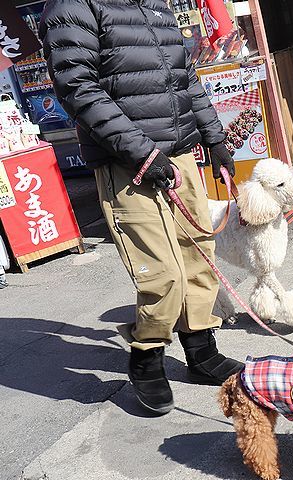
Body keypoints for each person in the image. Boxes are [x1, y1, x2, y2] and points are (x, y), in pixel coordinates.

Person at [39, 0, 243, 415]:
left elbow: (184, 75)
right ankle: (146, 356)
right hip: (125, 162)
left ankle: (201, 350)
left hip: (181, 152)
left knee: (199, 259)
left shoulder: (156, 3)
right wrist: (142, 153)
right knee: (162, 272)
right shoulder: (72, 5)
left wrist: (214, 136)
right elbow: (77, 85)